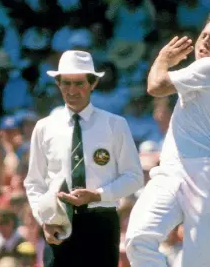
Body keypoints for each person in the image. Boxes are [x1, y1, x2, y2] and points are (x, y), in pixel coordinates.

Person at [125, 0, 210, 267]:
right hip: (170, 171)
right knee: (137, 239)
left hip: (204, 176)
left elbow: (155, 86)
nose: (204, 42)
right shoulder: (207, 69)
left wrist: (163, 58)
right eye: (203, 36)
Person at [23, 50, 144, 267]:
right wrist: (44, 219)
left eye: (79, 83)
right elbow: (34, 182)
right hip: (59, 219)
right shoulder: (44, 127)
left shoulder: (114, 125)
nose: (72, 90)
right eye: (66, 83)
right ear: (58, 84)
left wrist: (97, 195)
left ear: (93, 84)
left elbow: (134, 177)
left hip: (101, 221)